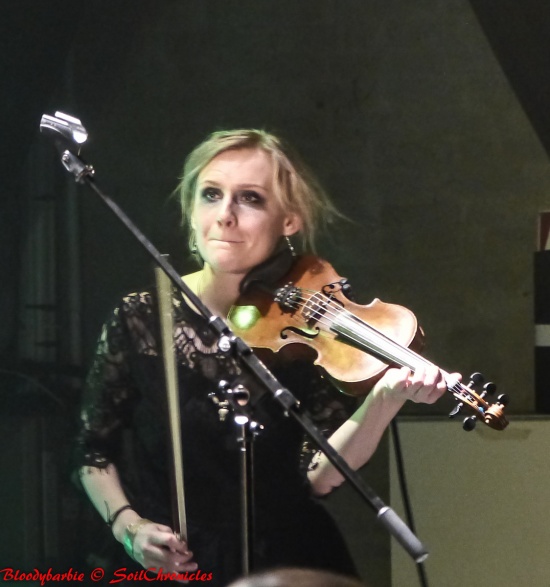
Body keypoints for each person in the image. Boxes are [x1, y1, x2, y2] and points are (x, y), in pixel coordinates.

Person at [74, 129, 452, 586]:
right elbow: (93, 451)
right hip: (173, 564)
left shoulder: (309, 330)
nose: (225, 215)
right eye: (211, 195)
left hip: (284, 562)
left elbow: (319, 476)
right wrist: (129, 528)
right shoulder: (141, 317)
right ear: (190, 209)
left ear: (288, 220)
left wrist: (384, 399)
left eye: (250, 199)